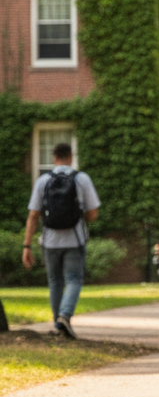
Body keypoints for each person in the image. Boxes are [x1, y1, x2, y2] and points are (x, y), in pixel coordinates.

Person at [21, 143, 101, 339]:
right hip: (74, 239)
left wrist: (27, 245)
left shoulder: (43, 180)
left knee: (54, 282)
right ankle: (65, 316)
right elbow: (93, 213)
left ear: (54, 157)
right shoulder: (81, 179)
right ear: (71, 157)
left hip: (49, 241)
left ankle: (58, 325)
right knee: (74, 279)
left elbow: (33, 215)